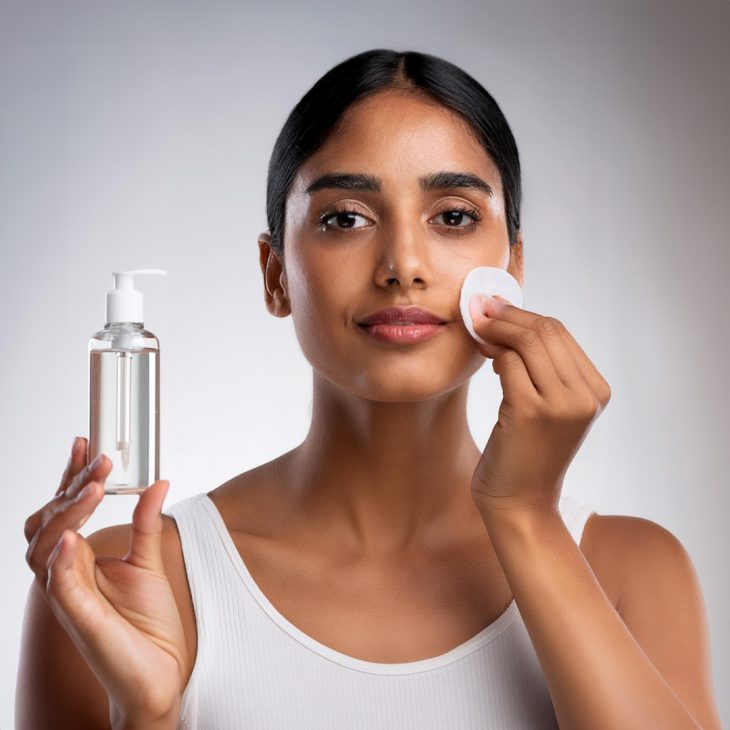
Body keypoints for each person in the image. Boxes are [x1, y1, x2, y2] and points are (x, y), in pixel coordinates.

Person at [17, 49, 722, 730]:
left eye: (452, 216)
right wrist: (146, 717)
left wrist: (526, 517)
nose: (403, 265)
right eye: (345, 217)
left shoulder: (634, 571)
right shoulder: (120, 584)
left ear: (513, 263)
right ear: (275, 274)